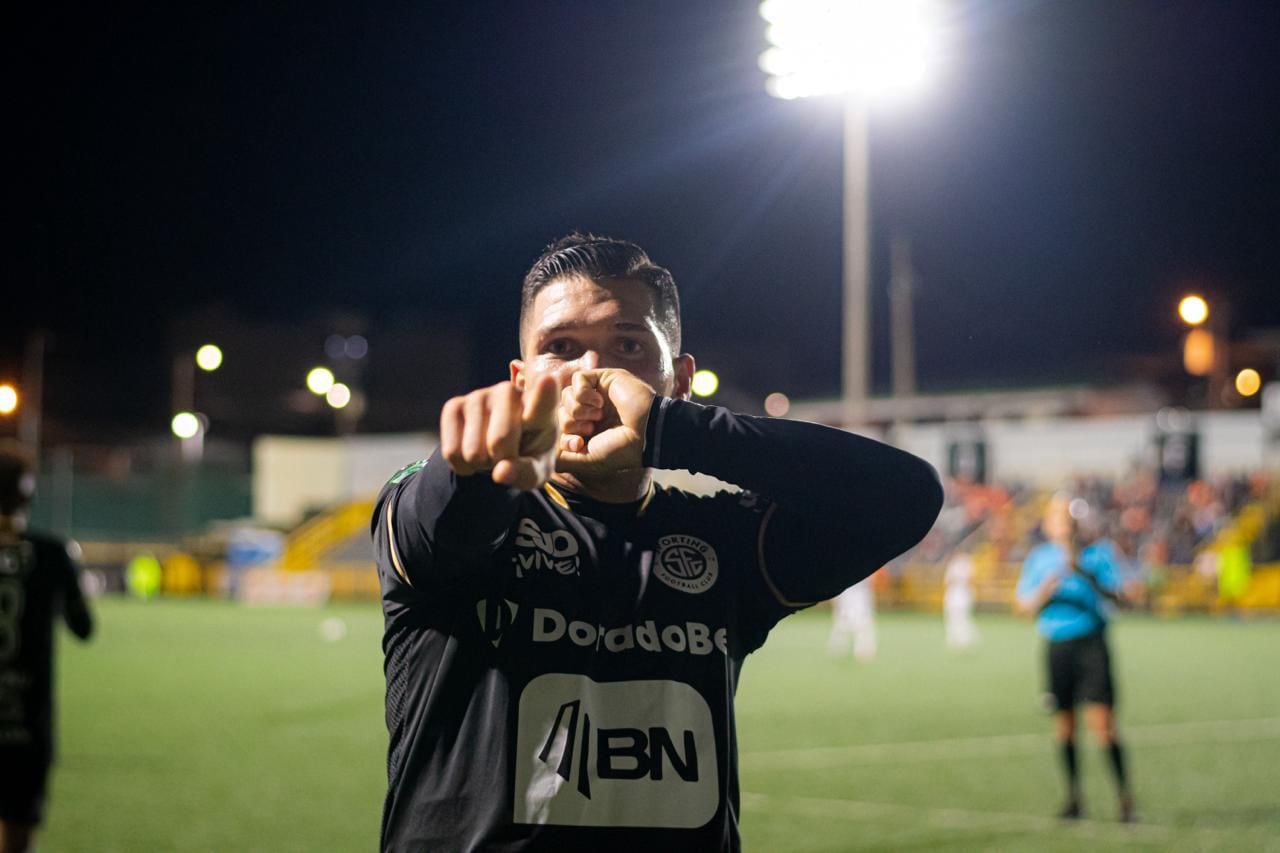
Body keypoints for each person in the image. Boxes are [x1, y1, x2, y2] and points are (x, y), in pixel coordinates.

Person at [372, 233, 944, 852]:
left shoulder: (725, 544)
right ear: (521, 378)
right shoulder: (453, 507)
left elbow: (906, 496)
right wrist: (481, 466)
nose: (590, 375)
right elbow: (441, 529)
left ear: (679, 382)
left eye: (628, 346)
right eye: (559, 348)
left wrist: (677, 430)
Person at [1015, 495, 1135, 823]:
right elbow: (1022, 608)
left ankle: (1125, 800)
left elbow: (1123, 599)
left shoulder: (1099, 554)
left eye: (1069, 519)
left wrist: (1085, 573)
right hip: (1057, 647)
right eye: (1058, 518)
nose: (1064, 525)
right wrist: (1045, 590)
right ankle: (1074, 798)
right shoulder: (1040, 559)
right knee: (1065, 726)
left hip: (1091, 645)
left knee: (1103, 726)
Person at [0, 441, 94, 853]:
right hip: (27, 721)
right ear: (28, 492)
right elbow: (83, 628)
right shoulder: (53, 554)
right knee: (19, 837)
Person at [827, 575, 877, 662]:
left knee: (861, 626)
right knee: (843, 625)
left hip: (858, 593)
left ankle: (863, 652)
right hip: (848, 594)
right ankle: (839, 651)